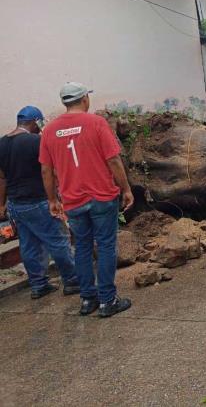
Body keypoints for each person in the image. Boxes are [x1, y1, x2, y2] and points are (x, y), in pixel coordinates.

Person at [39, 83, 134, 318]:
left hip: (73, 200)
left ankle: (87, 299)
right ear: (84, 100)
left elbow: (46, 170)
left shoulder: (49, 131)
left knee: (81, 247)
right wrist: (126, 189)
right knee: (105, 246)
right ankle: (107, 300)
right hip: (102, 196)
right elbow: (113, 160)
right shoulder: (96, 123)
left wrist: (52, 199)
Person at [0, 106, 79, 299]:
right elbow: (49, 171)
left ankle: (38, 285)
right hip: (38, 201)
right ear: (35, 121)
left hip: (16, 204)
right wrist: (55, 198)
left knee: (28, 245)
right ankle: (72, 281)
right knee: (59, 241)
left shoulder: (2, 143)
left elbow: (1, 178)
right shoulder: (37, 141)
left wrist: (2, 205)